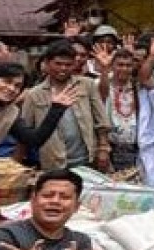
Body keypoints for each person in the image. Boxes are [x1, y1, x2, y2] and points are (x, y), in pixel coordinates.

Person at [21, 40, 111, 171]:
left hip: (87, 159)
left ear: (74, 64)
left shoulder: (87, 85)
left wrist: (103, 148)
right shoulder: (34, 94)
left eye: (68, 64)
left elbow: (101, 120)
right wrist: (17, 163)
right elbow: (25, 133)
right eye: (58, 64)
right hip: (54, 164)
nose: (63, 68)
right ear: (47, 63)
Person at [0, 62, 76, 162]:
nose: (12, 88)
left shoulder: (10, 113)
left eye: (17, 86)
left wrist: (57, 109)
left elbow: (33, 140)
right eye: (7, 81)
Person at [92, 46, 140, 171]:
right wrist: (104, 69)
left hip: (134, 147)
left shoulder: (137, 86)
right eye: (120, 64)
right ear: (112, 65)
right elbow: (102, 92)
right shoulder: (100, 83)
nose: (124, 68)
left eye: (128, 65)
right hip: (110, 148)